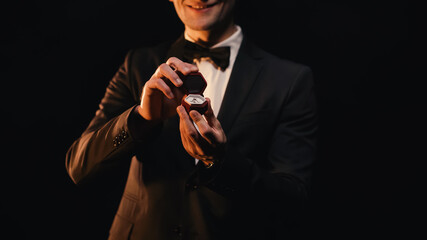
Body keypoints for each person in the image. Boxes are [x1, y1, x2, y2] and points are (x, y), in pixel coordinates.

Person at [66, 0, 317, 239]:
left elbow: (292, 201)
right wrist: (143, 118)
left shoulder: (290, 80)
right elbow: (79, 168)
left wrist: (218, 162)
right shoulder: (138, 64)